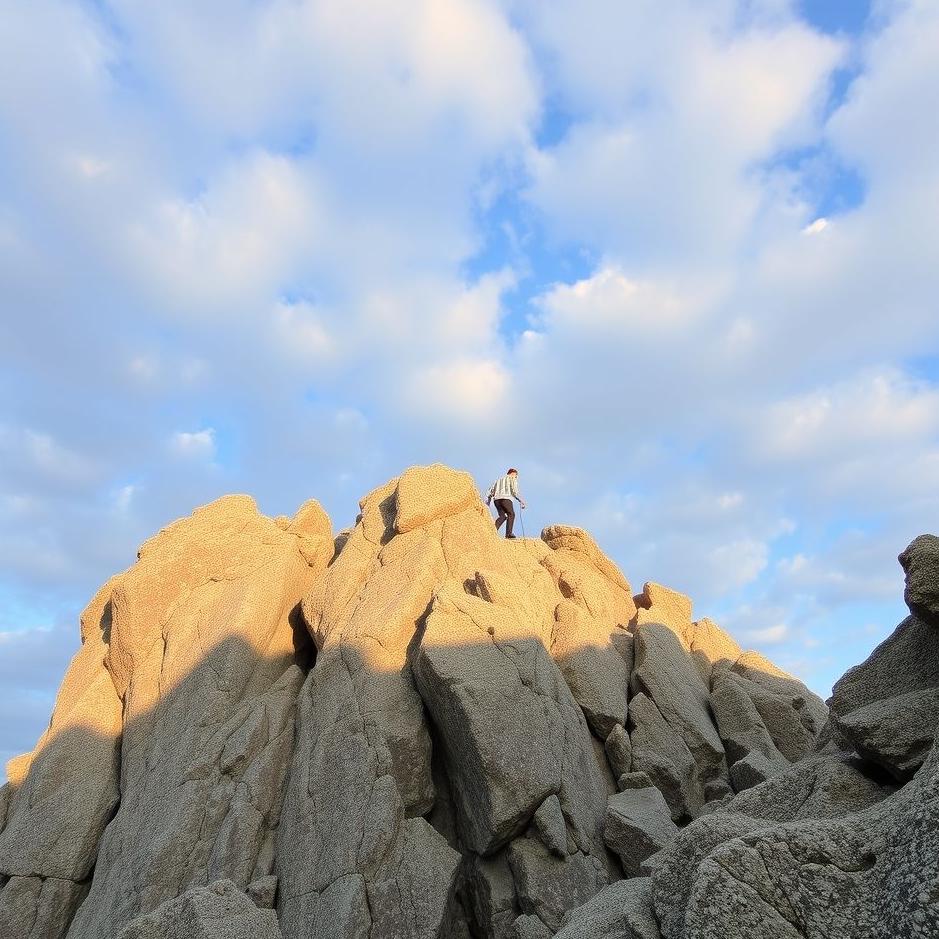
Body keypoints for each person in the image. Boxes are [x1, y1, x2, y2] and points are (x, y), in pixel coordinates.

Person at [486, 468, 526, 538]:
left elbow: (490, 491)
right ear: (513, 473)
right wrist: (521, 500)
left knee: (503, 516)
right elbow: (514, 491)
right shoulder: (512, 479)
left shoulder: (498, 480)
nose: (516, 478)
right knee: (511, 514)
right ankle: (508, 534)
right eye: (516, 476)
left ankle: (493, 531)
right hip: (506, 499)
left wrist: (487, 503)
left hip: (496, 500)